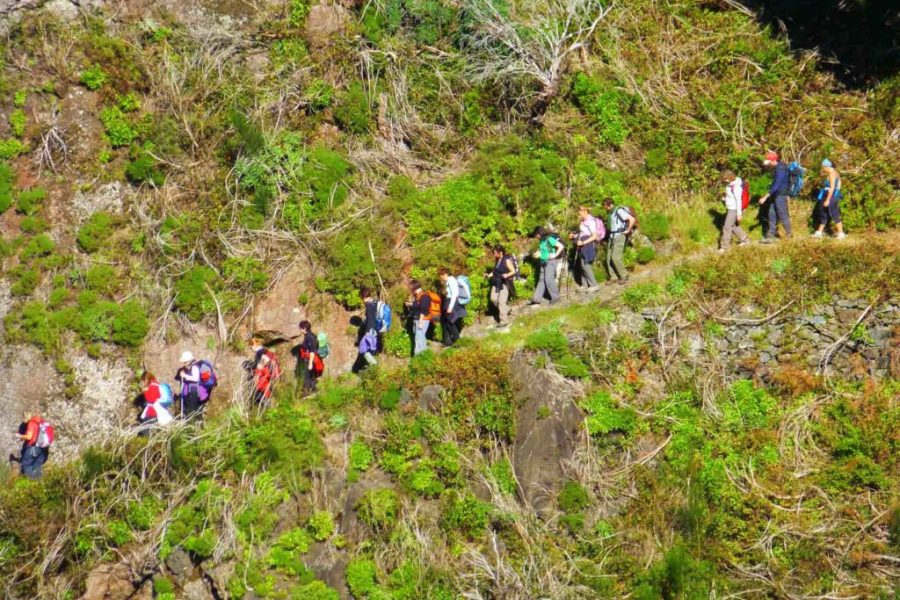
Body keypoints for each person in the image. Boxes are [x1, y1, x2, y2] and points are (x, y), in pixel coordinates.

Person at [758, 151, 792, 243]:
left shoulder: (781, 169)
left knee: (782, 214)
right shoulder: (776, 168)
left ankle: (789, 235)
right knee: (771, 213)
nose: (768, 165)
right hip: (774, 195)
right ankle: (771, 235)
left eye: (769, 163)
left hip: (780, 195)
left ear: (773, 161)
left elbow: (777, 185)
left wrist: (765, 197)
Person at [529, 227, 565, 305]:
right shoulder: (542, 241)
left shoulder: (549, 239)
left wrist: (555, 255)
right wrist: (537, 254)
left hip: (550, 262)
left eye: (536, 235)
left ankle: (556, 297)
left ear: (539, 233)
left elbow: (561, 246)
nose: (536, 236)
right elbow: (543, 251)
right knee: (541, 280)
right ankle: (537, 298)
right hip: (543, 262)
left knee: (548, 280)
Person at [812, 159, 846, 240]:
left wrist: (828, 200)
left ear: (827, 167)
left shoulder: (831, 174)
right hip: (833, 196)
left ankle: (841, 234)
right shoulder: (836, 173)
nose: (823, 169)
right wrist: (836, 195)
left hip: (829, 197)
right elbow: (839, 186)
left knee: (834, 214)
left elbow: (832, 187)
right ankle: (819, 232)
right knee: (824, 214)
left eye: (823, 167)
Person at [603, 198, 635, 285]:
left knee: (615, 257)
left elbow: (632, 219)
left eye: (604, 205)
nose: (604, 207)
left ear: (608, 204)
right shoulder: (610, 212)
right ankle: (613, 277)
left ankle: (624, 275)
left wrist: (628, 230)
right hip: (612, 237)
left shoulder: (619, 211)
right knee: (608, 258)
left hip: (619, 236)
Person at [569, 206, 601, 292]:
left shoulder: (591, 221)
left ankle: (594, 285)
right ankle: (585, 285)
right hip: (582, 244)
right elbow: (583, 233)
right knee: (582, 265)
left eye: (580, 214)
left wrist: (583, 242)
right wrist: (574, 236)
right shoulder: (584, 221)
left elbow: (594, 236)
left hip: (587, 245)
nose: (579, 215)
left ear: (585, 211)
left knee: (586, 265)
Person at [719, 170, 751, 252]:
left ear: (730, 177)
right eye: (724, 179)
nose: (724, 180)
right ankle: (745, 239)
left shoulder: (736, 186)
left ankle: (724, 247)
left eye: (725, 179)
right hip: (730, 208)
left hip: (734, 209)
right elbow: (731, 197)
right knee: (734, 226)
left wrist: (739, 214)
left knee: (727, 227)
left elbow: (738, 200)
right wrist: (725, 198)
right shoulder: (730, 185)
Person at [488, 245, 516, 328]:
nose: (494, 254)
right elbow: (495, 271)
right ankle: (507, 309)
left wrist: (507, 274)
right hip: (496, 283)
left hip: (504, 283)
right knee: (493, 299)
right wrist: (489, 275)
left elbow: (513, 271)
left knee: (501, 302)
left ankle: (504, 321)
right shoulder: (497, 259)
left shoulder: (506, 260)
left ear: (500, 252)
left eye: (495, 253)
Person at [15, 414, 50, 479]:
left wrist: (19, 436)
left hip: (32, 448)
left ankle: (29, 481)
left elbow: (29, 437)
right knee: (37, 465)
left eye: (23, 417)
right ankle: (38, 482)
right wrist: (22, 438)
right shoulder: (39, 422)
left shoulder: (31, 423)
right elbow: (36, 434)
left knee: (26, 464)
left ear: (27, 416)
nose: (23, 419)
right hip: (42, 449)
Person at [438, 268, 466, 346]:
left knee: (450, 322)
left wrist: (450, 307)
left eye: (441, 276)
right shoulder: (449, 281)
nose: (441, 278)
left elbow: (454, 294)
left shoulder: (451, 280)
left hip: (451, 302)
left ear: (445, 274)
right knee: (447, 321)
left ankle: (457, 341)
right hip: (449, 302)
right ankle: (448, 341)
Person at [248, 338, 280, 406]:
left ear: (254, 345)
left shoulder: (260, 352)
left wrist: (259, 367)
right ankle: (269, 404)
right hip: (269, 375)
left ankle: (267, 405)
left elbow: (265, 359)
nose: (251, 349)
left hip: (264, 376)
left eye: (251, 347)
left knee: (260, 394)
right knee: (266, 392)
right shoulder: (266, 350)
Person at [293, 321, 322, 393]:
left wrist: (310, 363)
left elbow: (312, 351)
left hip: (310, 359)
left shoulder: (309, 337)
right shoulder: (308, 336)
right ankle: (313, 389)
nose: (299, 329)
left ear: (305, 328)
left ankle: (306, 391)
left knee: (306, 375)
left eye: (300, 328)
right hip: (309, 358)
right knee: (309, 375)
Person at [174, 351, 203, 419]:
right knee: (193, 409)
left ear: (189, 360)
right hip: (193, 391)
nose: (184, 364)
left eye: (185, 362)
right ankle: (195, 421)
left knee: (193, 409)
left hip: (194, 392)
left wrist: (185, 375)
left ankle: (193, 421)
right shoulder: (192, 366)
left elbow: (196, 378)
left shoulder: (194, 367)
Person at [407, 280, 432, 355]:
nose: (410, 290)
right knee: (420, 338)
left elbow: (424, 310)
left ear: (415, 288)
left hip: (422, 320)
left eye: (411, 288)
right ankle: (423, 355)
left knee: (418, 339)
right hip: (417, 319)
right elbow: (418, 306)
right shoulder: (417, 296)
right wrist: (411, 304)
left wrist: (421, 322)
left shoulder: (424, 296)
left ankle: (417, 357)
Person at [358, 288, 379, 368]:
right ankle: (371, 367)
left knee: (363, 348)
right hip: (376, 330)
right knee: (371, 348)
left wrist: (368, 331)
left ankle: (374, 365)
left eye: (361, 298)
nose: (362, 301)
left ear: (364, 297)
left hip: (370, 331)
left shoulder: (369, 306)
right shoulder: (375, 302)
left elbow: (370, 319)